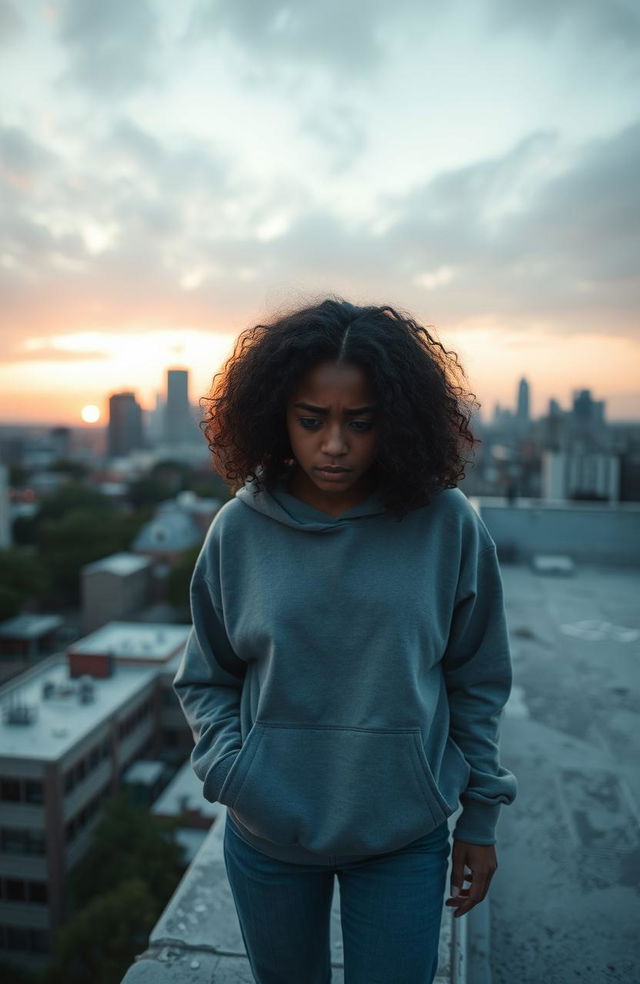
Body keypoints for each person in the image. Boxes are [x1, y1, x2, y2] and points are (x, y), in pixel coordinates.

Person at [172, 296, 518, 984]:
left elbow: (476, 680)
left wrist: (478, 816)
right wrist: (235, 773)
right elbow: (207, 676)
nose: (334, 444)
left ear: (396, 419)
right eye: (312, 420)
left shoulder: (446, 526)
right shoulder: (239, 531)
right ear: (278, 416)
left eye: (360, 423)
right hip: (268, 836)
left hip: (402, 837)